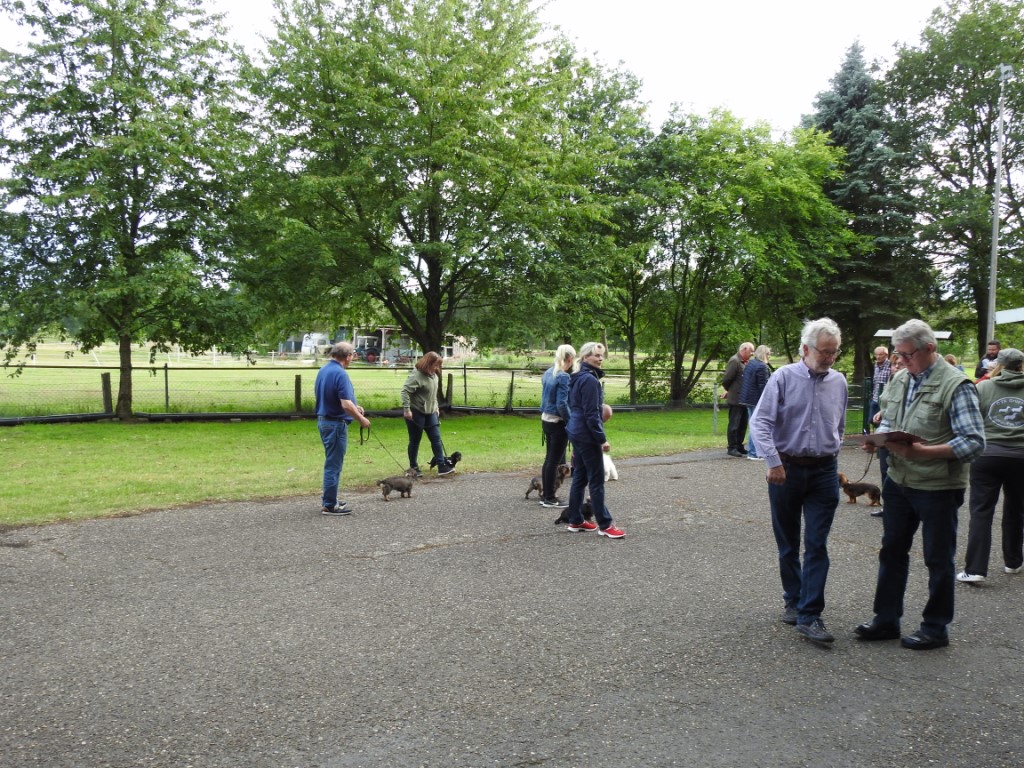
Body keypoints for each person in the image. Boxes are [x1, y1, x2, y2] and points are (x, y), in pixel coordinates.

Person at [855, 319, 985, 651]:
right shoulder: (900, 379)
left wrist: (924, 452)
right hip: (898, 480)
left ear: (930, 348)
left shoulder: (956, 385)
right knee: (892, 551)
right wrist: (877, 440)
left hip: (938, 486)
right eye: (897, 355)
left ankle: (935, 628)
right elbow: (888, 419)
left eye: (907, 354)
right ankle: (886, 620)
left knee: (938, 559)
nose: (900, 361)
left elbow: (973, 442)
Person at [749, 318, 847, 645]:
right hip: (786, 469)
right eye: (824, 351)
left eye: (834, 352)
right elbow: (760, 423)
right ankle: (793, 598)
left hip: (824, 471)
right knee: (789, 543)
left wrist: (831, 452)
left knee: (817, 543)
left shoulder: (839, 382)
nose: (830, 358)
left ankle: (810, 614)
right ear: (805, 349)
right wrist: (773, 462)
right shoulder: (782, 377)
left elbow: (839, 425)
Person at [957, 348, 1024, 583]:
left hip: (987, 455)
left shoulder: (983, 387)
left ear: (999, 364)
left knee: (981, 511)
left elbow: (971, 419)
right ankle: (1013, 562)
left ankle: (975, 569)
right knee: (1016, 510)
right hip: (1021, 456)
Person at [563, 342, 625, 539]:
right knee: (596, 481)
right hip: (586, 434)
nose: (600, 359)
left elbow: (575, 406)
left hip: (575, 430)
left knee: (580, 477)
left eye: (602, 355)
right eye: (596, 355)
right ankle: (605, 525)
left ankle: (576, 520)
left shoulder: (577, 376)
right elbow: (592, 414)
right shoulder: (589, 380)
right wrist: (601, 439)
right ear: (585, 357)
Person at [314, 341, 371, 516]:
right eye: (352, 355)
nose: (352, 358)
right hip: (335, 424)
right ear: (347, 356)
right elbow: (345, 404)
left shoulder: (324, 370)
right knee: (333, 465)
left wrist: (355, 407)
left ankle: (330, 498)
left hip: (324, 421)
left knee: (332, 462)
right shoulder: (340, 373)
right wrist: (361, 419)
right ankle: (330, 505)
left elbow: (334, 397)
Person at [401, 351, 454, 477]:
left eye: (438, 365)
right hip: (416, 411)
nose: (437, 368)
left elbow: (433, 394)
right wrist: (407, 409)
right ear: (428, 363)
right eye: (435, 365)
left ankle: (442, 466)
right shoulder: (416, 376)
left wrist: (436, 407)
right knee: (415, 440)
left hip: (431, 412)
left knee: (436, 438)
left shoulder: (434, 375)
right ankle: (414, 467)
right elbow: (405, 392)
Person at [539, 344, 576, 508]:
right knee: (554, 461)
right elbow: (562, 404)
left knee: (549, 459)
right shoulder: (563, 376)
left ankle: (545, 495)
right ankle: (550, 497)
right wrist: (571, 421)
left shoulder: (548, 372)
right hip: (557, 422)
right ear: (570, 359)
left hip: (546, 419)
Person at [738, 345, 772, 460]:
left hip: (748, 398)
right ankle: (753, 452)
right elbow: (764, 386)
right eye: (768, 354)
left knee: (753, 425)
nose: (769, 356)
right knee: (757, 427)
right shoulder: (762, 366)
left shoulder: (751, 363)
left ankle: (753, 451)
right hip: (756, 400)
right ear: (764, 354)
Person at [721, 342, 754, 457]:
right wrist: (730, 390)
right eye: (751, 351)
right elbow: (727, 379)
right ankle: (732, 447)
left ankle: (739, 445)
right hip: (736, 398)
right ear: (744, 349)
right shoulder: (735, 361)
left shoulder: (745, 362)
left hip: (744, 398)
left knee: (743, 424)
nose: (752, 353)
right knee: (734, 424)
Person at [869, 345, 892, 427]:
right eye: (876, 354)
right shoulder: (875, 365)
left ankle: (881, 432)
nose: (878, 357)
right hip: (875, 397)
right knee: (872, 419)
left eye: (880, 354)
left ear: (886, 355)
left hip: (885, 398)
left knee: (882, 421)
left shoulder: (891, 365)